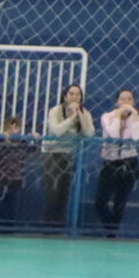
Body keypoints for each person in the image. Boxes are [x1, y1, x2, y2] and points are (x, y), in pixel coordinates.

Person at [41, 82, 95, 225]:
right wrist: (71, 119)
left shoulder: (85, 113)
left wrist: (80, 115)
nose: (75, 97)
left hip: (71, 156)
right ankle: (47, 224)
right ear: (65, 97)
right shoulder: (55, 111)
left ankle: (58, 225)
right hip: (53, 154)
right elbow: (57, 131)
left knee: (64, 193)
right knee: (53, 191)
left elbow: (89, 133)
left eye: (78, 94)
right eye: (71, 94)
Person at [96, 88, 139, 236]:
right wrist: (118, 116)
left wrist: (134, 115)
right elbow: (114, 134)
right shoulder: (107, 117)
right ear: (117, 101)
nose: (125, 102)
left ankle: (112, 232)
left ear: (134, 102)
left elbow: (136, 137)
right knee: (100, 201)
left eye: (129, 99)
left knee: (120, 200)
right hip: (110, 160)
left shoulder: (138, 119)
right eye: (122, 99)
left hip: (128, 160)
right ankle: (110, 226)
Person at [0, 114, 33, 229]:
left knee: (13, 202)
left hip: (16, 178)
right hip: (0, 177)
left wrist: (35, 139)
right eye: (10, 128)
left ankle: (10, 227)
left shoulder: (22, 142)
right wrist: (5, 141)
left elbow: (30, 151)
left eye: (16, 128)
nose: (13, 131)